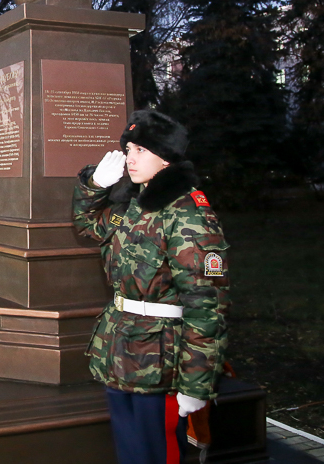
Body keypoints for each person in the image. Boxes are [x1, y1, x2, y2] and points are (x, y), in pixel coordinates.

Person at [72, 110, 230, 464]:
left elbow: (207, 303)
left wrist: (195, 383)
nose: (129, 158)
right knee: (131, 452)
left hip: (161, 361)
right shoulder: (131, 204)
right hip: (120, 350)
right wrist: (95, 185)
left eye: (140, 150)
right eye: (128, 149)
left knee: (157, 454)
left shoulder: (187, 213)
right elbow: (87, 227)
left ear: (166, 157)